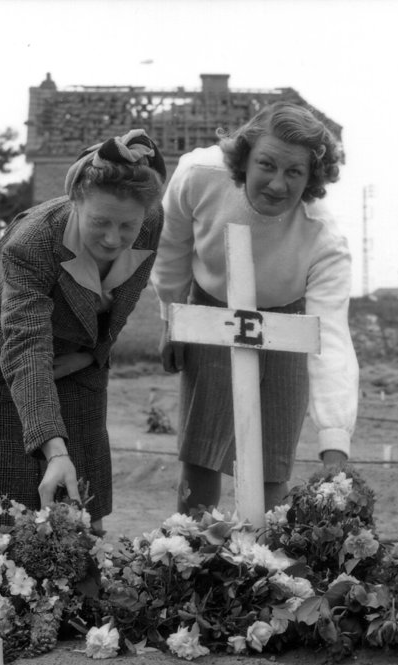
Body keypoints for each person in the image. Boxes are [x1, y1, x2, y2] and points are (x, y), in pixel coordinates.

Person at [0, 131, 166, 530]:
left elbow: (122, 303)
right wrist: (54, 449)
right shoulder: (32, 241)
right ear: (75, 202)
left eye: (126, 226)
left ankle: (86, 578)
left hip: (79, 356)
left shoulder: (150, 220)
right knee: (13, 504)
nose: (113, 238)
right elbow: (26, 346)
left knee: (87, 487)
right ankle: (10, 587)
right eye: (99, 222)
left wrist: (91, 355)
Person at [152, 102, 358, 514]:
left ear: (312, 178)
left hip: (287, 320)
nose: (278, 185)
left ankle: (265, 564)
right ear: (244, 158)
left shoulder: (325, 242)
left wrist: (335, 444)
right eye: (267, 165)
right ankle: (191, 554)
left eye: (294, 172)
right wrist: (173, 317)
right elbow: (172, 245)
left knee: (272, 459)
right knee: (202, 452)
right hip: (212, 308)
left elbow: (331, 339)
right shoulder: (197, 176)